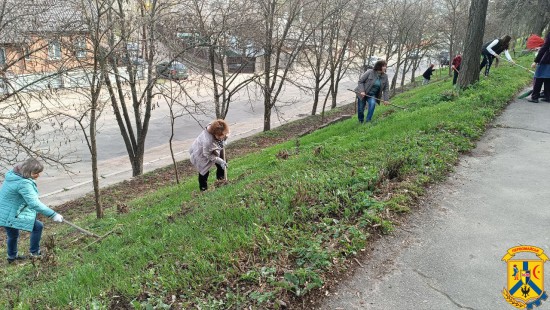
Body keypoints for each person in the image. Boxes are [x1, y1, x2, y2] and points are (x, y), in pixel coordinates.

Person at [0, 158, 63, 264]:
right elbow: (34, 203)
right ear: (27, 171)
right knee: (38, 227)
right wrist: (53, 214)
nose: (38, 175)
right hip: (10, 213)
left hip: (4, 211)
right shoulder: (23, 183)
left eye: (39, 173)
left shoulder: (13, 175)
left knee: (13, 235)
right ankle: (34, 253)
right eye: (35, 173)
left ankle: (12, 257)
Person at [189, 119, 230, 191]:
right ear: (214, 134)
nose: (221, 137)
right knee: (204, 171)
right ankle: (203, 189)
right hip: (201, 152)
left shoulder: (219, 126)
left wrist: (224, 139)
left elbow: (226, 132)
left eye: (222, 135)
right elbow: (208, 155)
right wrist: (220, 161)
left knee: (223, 163)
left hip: (213, 148)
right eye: (220, 136)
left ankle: (221, 181)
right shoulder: (208, 140)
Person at [528, 31, 550, 103]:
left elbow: (545, 47)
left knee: (539, 77)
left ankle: (535, 97)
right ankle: (548, 97)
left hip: (546, 60)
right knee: (548, 78)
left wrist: (536, 61)